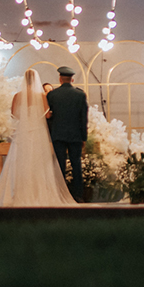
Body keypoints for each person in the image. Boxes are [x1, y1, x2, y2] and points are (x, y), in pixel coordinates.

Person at [0, 68, 75, 207]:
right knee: (39, 163)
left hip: (22, 133)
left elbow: (14, 115)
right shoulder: (41, 96)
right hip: (38, 132)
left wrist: (25, 117)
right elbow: (47, 115)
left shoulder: (17, 96)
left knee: (20, 162)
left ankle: (17, 193)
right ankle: (39, 193)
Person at [46, 65, 89, 202]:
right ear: (72, 79)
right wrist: (83, 137)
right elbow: (84, 118)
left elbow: (49, 116)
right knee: (76, 165)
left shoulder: (52, 95)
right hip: (75, 135)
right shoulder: (80, 95)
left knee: (59, 166)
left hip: (58, 134)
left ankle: (60, 195)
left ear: (60, 79)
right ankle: (78, 195)